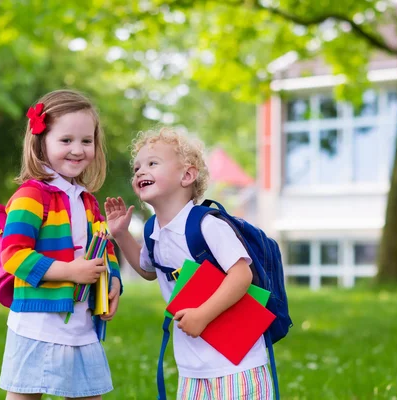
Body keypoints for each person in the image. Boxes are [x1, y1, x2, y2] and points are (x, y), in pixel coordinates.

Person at [104, 127, 273, 399]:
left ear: (187, 175)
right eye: (137, 167)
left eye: (152, 163)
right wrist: (122, 235)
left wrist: (203, 314)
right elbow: (148, 270)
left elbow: (242, 275)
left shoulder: (206, 224)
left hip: (237, 365)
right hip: (192, 368)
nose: (139, 171)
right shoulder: (152, 232)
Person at [0, 89, 122, 400]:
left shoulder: (89, 202)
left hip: (81, 325)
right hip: (37, 323)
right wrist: (70, 270)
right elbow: (13, 255)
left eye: (86, 141)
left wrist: (114, 282)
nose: (78, 150)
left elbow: (104, 248)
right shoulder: (31, 196)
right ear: (42, 142)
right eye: (66, 140)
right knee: (25, 395)